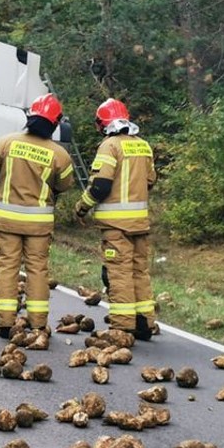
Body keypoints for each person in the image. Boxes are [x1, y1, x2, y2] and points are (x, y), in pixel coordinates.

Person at [0, 94, 76, 341]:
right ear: (54, 124)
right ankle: (37, 324)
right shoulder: (60, 155)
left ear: (29, 116)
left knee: (7, 268)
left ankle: (5, 323)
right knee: (37, 270)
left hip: (7, 221)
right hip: (39, 225)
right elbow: (64, 185)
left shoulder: (6, 143)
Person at [75, 98, 158, 340]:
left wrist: (82, 207)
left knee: (119, 273)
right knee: (139, 272)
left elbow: (100, 185)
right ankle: (144, 323)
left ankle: (123, 327)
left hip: (116, 226)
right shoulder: (143, 146)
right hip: (140, 224)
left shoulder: (109, 146)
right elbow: (150, 180)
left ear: (103, 124)